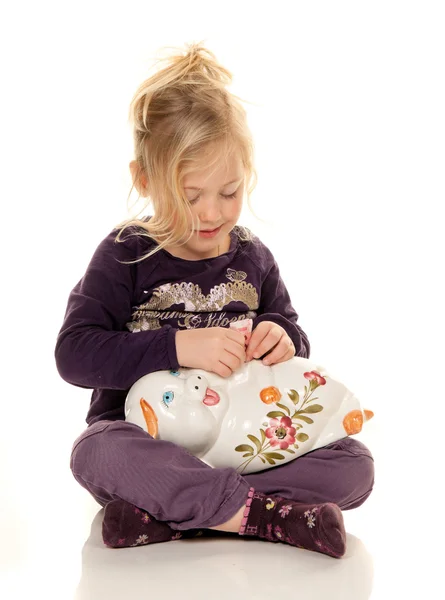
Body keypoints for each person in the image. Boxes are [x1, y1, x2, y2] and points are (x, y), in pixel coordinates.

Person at [55, 43, 374, 559]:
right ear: (144, 179)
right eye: (190, 194)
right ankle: (266, 517)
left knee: (354, 464)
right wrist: (177, 346)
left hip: (247, 446)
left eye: (228, 192)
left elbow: (292, 330)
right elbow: (74, 354)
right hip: (147, 443)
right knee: (96, 453)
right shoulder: (125, 254)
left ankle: (178, 514)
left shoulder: (254, 257)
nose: (211, 213)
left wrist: (282, 337)